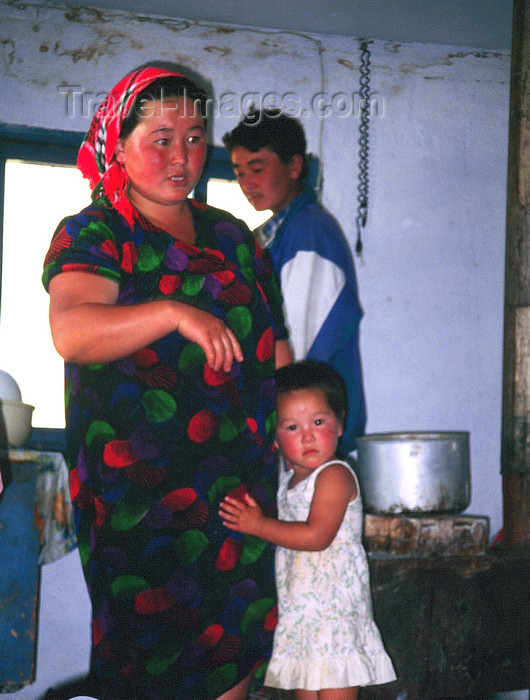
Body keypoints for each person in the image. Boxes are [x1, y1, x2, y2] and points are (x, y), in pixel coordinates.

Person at [42, 66, 292, 700]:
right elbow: (73, 331)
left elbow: (275, 350)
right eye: (161, 138)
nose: (182, 156)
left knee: (237, 647)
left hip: (238, 488)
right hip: (142, 500)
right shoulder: (98, 231)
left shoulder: (233, 236)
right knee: (154, 663)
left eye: (194, 136)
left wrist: (299, 450)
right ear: (117, 145)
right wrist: (174, 312)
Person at [219, 360, 396, 700]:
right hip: (302, 620)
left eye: (318, 421)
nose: (308, 435)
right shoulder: (287, 482)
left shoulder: (334, 475)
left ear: (340, 423)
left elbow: (317, 536)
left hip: (334, 619)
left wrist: (259, 525)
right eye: (291, 427)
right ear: (275, 438)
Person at [223, 111, 366, 455]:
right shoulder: (279, 235)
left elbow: (297, 348)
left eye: (257, 168)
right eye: (239, 173)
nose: (247, 183)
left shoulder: (308, 233)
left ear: (294, 166)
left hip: (310, 439)